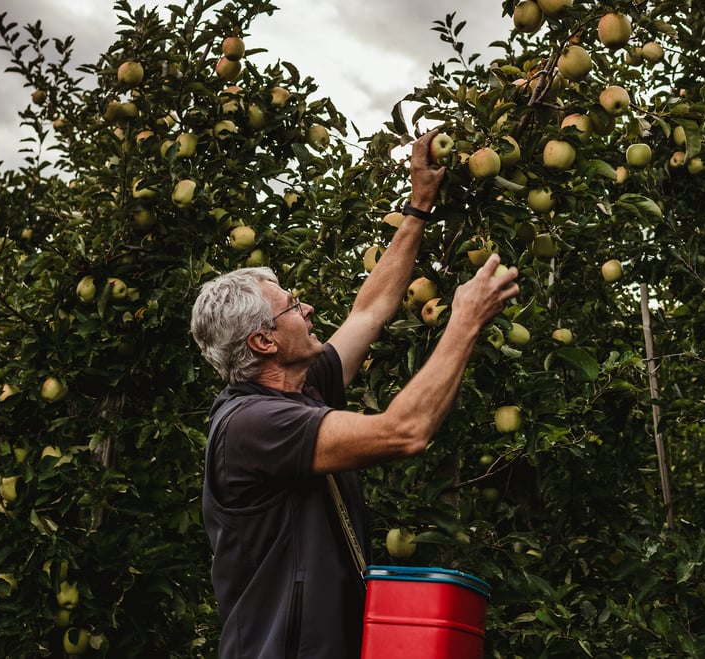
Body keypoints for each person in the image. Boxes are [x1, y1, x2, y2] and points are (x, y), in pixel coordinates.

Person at [189, 129, 520, 659]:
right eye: (293, 306)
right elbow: (403, 432)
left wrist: (418, 205)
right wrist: (464, 321)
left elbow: (371, 308)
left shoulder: (305, 386)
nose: (309, 309)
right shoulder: (252, 426)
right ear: (263, 341)